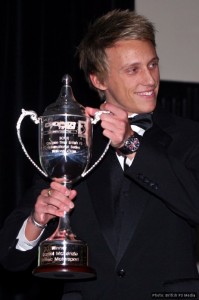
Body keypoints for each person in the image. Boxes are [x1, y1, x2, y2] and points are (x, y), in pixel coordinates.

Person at [1, 8, 199, 300]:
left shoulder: (189, 136)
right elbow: (10, 257)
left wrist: (131, 143)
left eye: (153, 65)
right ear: (98, 80)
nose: (150, 79)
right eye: (133, 69)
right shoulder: (70, 141)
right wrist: (37, 220)